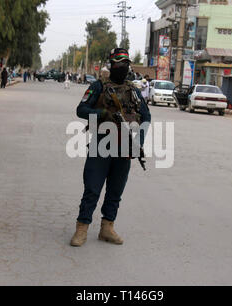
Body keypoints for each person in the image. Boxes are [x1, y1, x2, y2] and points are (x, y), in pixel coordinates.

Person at [71, 48, 151, 247]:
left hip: (124, 147)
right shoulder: (99, 86)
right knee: (92, 188)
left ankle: (107, 228)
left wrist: (138, 143)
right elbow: (81, 110)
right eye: (117, 63)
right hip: (101, 145)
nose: (121, 67)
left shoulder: (133, 90)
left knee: (115, 192)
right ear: (111, 65)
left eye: (125, 63)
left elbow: (146, 117)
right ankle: (82, 228)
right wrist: (102, 114)